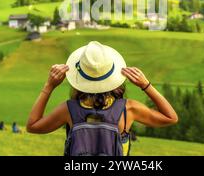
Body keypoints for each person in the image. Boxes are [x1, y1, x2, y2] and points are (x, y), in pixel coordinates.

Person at [27, 41, 178, 156]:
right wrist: (146, 85)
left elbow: (32, 126)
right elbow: (170, 117)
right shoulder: (128, 109)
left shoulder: (69, 109)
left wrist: (49, 86)